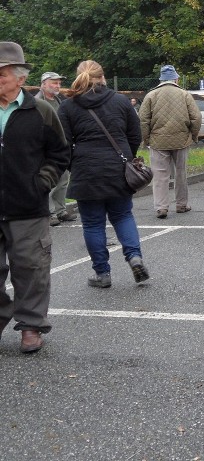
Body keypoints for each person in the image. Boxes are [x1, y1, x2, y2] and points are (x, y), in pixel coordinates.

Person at [0, 43, 70, 354]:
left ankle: (31, 326)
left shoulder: (41, 111)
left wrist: (41, 184)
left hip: (28, 207)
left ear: (19, 77)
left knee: (31, 270)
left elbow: (59, 154)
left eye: (2, 75)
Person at [58, 60, 150, 288]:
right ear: (103, 77)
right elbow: (135, 134)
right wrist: (128, 158)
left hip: (86, 170)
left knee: (92, 223)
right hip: (118, 169)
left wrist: (74, 165)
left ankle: (102, 273)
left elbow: (62, 144)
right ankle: (134, 256)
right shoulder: (120, 101)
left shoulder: (68, 106)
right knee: (123, 216)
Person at [138, 64, 201, 219]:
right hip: (181, 139)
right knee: (181, 173)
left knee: (160, 175)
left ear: (161, 79)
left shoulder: (151, 95)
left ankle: (161, 207)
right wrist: (193, 135)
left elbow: (143, 120)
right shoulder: (184, 94)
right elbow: (196, 117)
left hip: (158, 141)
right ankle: (181, 204)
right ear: (176, 79)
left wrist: (146, 139)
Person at [34, 71, 78, 227]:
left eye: (59, 83)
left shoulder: (59, 101)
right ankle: (49, 213)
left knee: (63, 180)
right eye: (54, 82)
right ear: (44, 83)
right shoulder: (36, 102)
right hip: (45, 149)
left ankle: (61, 210)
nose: (58, 85)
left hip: (61, 147)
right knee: (49, 180)